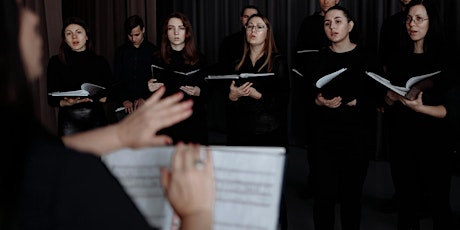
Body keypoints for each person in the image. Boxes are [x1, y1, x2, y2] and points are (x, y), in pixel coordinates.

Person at [0, 1, 215, 229]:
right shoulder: (74, 174)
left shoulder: (20, 142)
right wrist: (197, 213)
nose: (34, 18)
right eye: (17, 9)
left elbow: (44, 153)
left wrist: (120, 134)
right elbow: (50, 159)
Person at [304, 5, 382, 230]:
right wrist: (318, 101)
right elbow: (306, 95)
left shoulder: (367, 56)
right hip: (323, 139)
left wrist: (358, 101)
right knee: (323, 198)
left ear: (350, 25)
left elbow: (379, 96)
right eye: (327, 23)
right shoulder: (318, 57)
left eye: (338, 21)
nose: (332, 27)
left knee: (351, 198)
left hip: (356, 138)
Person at [382, 0, 456, 229]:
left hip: (435, 142)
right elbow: (386, 100)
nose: (412, 24)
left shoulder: (446, 59)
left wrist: (420, 107)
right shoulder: (397, 57)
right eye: (409, 19)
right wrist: (391, 97)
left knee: (439, 205)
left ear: (431, 22)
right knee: (406, 205)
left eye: (419, 19)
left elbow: (449, 111)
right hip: (402, 139)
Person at [224, 14, 290, 229]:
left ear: (267, 33)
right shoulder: (237, 63)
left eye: (259, 27)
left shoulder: (278, 62)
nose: (253, 30)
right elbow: (229, 104)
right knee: (243, 191)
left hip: (269, 134)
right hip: (240, 134)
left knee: (271, 191)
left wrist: (258, 95)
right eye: (250, 26)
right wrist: (233, 96)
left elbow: (284, 101)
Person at [293, 0, 340, 200]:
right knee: (314, 143)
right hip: (313, 89)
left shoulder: (344, 20)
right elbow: (299, 55)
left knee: (337, 144)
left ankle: (337, 188)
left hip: (338, 90)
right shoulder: (308, 23)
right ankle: (314, 184)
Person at [148, 12, 209, 145]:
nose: (176, 33)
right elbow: (150, 96)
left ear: (186, 32)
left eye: (180, 28)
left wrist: (199, 91)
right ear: (166, 33)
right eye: (171, 28)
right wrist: (149, 87)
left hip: (193, 122)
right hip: (167, 121)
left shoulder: (200, 59)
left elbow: (209, 93)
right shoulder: (156, 59)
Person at [46, 16, 114, 136]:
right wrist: (67, 102)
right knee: (70, 155)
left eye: (78, 32)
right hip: (69, 122)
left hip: (96, 120)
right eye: (69, 33)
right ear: (65, 39)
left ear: (86, 36)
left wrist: (102, 98)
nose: (74, 37)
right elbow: (51, 99)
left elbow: (112, 92)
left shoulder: (100, 61)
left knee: (97, 154)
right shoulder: (55, 62)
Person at [114, 15, 157, 119]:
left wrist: (144, 98)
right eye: (130, 35)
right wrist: (124, 99)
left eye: (137, 35)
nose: (133, 39)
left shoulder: (154, 51)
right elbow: (117, 78)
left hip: (147, 105)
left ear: (143, 30)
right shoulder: (121, 52)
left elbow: (156, 80)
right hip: (125, 106)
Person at [218, 5, 260, 73]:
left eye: (253, 16)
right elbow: (223, 69)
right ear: (241, 18)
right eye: (246, 16)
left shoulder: (265, 40)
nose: (249, 20)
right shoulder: (228, 42)